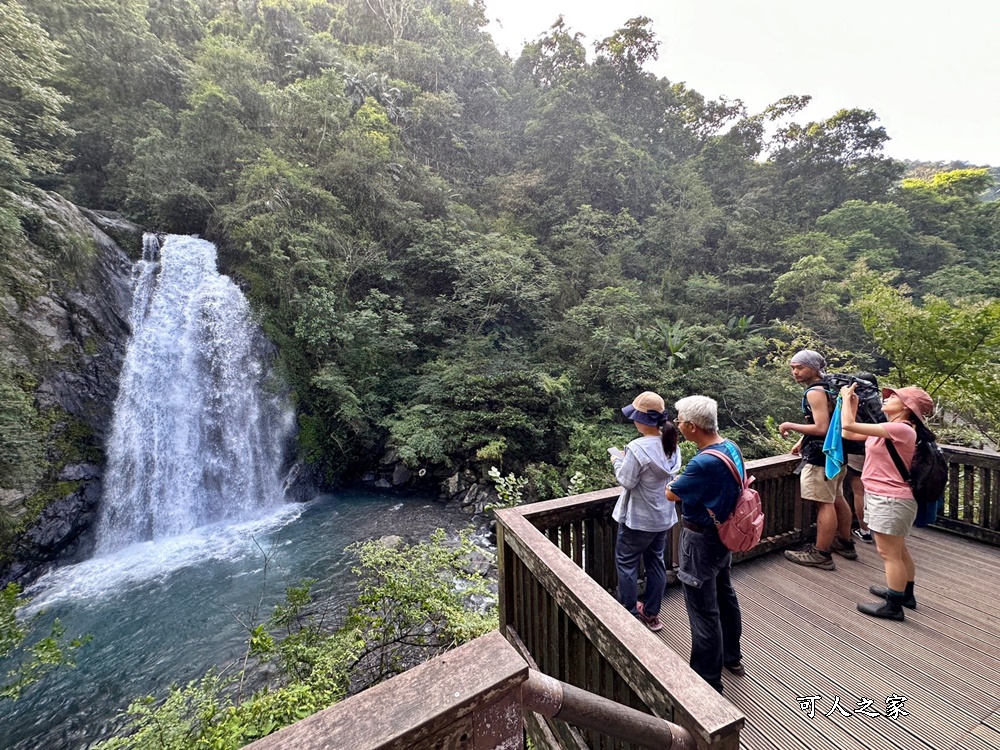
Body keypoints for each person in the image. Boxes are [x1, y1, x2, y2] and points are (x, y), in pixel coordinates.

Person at [665, 395, 744, 693]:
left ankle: (706, 680)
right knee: (725, 595)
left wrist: (671, 484)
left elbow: (672, 494)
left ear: (693, 427)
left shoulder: (702, 462)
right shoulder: (731, 448)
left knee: (702, 609)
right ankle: (732, 658)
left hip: (700, 539)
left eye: (680, 421)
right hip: (725, 535)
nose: (678, 426)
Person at [841, 382, 933, 620]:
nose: (886, 399)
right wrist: (852, 404)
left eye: (893, 397)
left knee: (889, 553)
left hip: (890, 499)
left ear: (906, 407)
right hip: (884, 497)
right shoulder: (891, 427)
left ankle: (893, 606)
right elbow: (848, 433)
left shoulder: (903, 429)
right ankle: (904, 594)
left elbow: (848, 424)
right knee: (898, 549)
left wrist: (844, 397)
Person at [610, 391, 681, 633]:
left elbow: (627, 481)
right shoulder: (671, 443)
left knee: (627, 564)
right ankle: (651, 614)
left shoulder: (637, 447)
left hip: (638, 519)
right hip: (662, 517)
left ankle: (629, 613)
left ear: (642, 420)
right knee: (656, 564)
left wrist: (617, 461)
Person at [779, 350, 857, 569]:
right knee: (837, 497)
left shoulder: (814, 392)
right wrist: (802, 440)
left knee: (824, 503)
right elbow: (829, 422)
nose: (795, 372)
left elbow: (821, 428)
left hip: (821, 456)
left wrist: (789, 426)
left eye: (800, 367)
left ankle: (821, 554)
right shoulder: (830, 386)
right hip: (837, 453)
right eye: (793, 367)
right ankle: (844, 543)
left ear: (814, 368)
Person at [848, 372, 879, 544]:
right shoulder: (880, 404)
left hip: (856, 451)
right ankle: (880, 528)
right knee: (875, 490)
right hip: (877, 452)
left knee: (859, 492)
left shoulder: (854, 403)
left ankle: (864, 530)